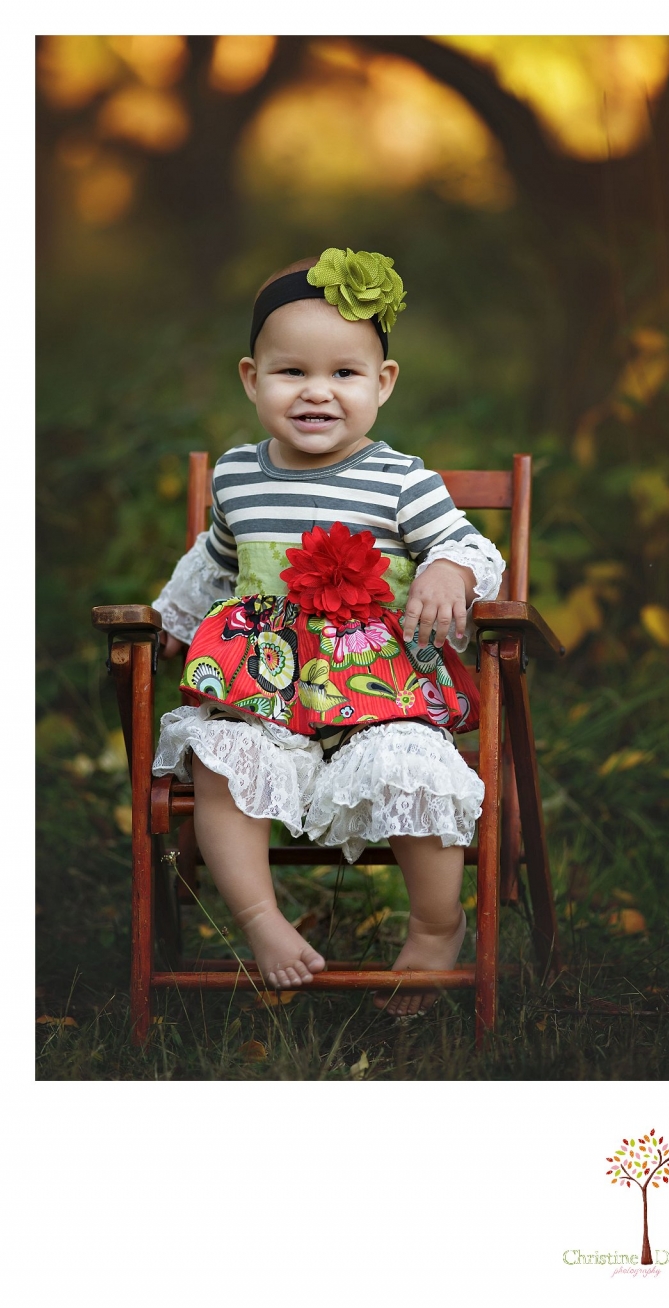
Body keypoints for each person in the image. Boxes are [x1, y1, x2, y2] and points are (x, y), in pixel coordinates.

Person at [152, 247, 505, 1018]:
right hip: (264, 686)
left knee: (413, 767)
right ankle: (263, 923)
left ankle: (434, 927)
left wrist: (451, 570)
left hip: (380, 685)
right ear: (253, 379)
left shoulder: (400, 478)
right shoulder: (238, 477)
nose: (318, 392)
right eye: (292, 373)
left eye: (345, 373)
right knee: (221, 758)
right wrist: (165, 624)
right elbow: (208, 567)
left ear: (383, 384)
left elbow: (470, 545)